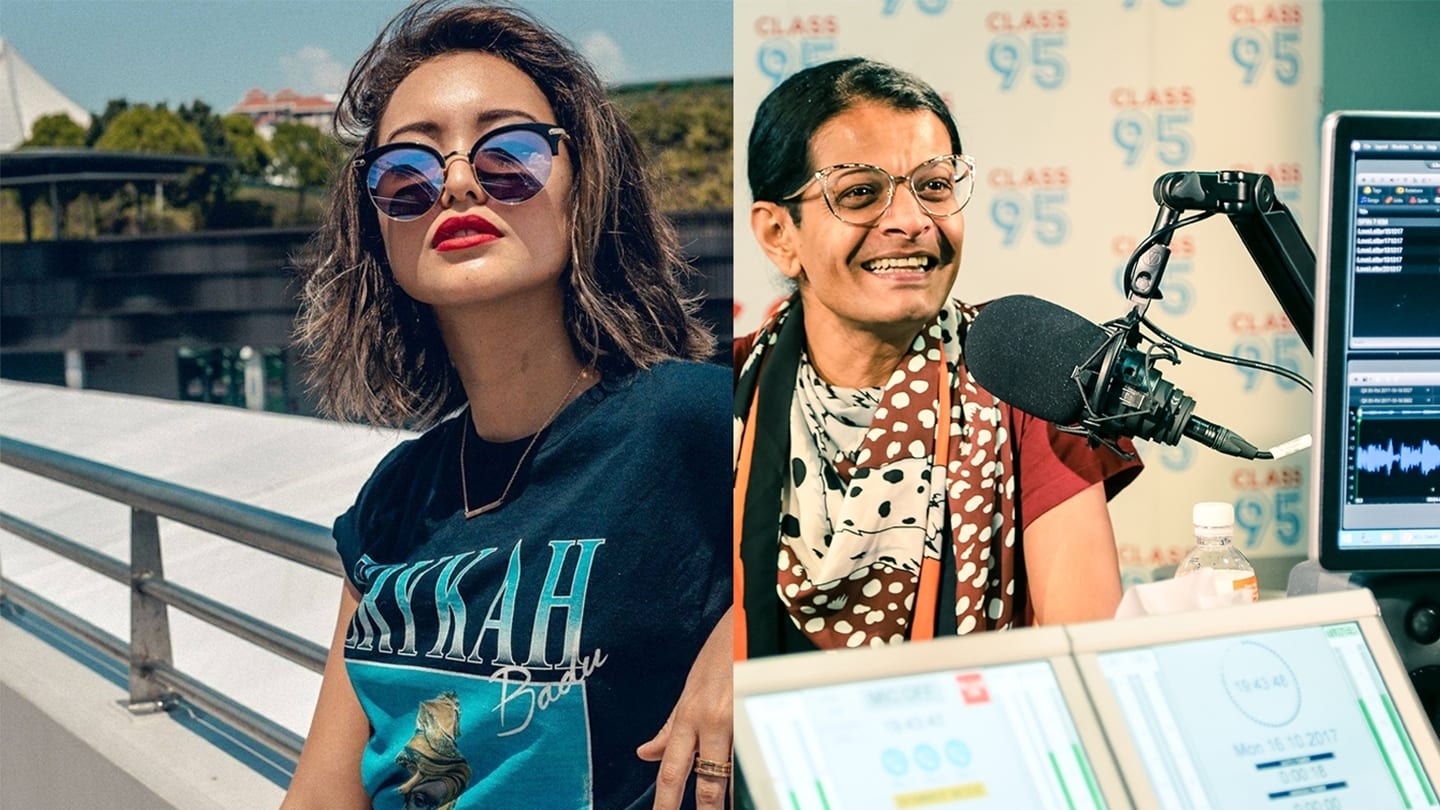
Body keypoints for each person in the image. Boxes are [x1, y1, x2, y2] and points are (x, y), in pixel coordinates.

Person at [282, 3, 732, 808]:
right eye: (407, 171)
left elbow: (909, 522)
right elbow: (323, 795)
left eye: (508, 155)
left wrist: (747, 645)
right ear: (377, 221)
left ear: (584, 183)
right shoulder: (395, 499)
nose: (455, 182)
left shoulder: (691, 420)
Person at [734, 57, 1142, 659]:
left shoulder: (1029, 379)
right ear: (779, 235)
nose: (911, 221)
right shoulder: (726, 387)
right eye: (860, 193)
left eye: (933, 186)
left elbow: (1086, 654)